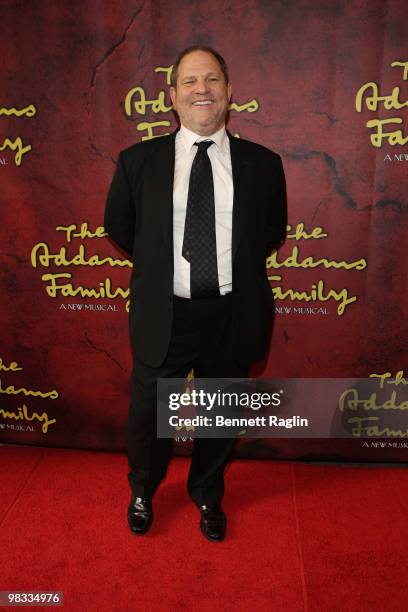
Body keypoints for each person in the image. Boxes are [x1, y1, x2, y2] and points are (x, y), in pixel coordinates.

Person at [104, 45, 287, 542]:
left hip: (232, 313)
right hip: (165, 313)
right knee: (148, 415)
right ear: (173, 96)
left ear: (229, 93)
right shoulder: (137, 161)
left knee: (222, 412)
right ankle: (143, 488)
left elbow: (270, 233)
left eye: (211, 79)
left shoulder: (264, 165)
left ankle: (207, 492)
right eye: (189, 81)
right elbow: (120, 227)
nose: (200, 89)